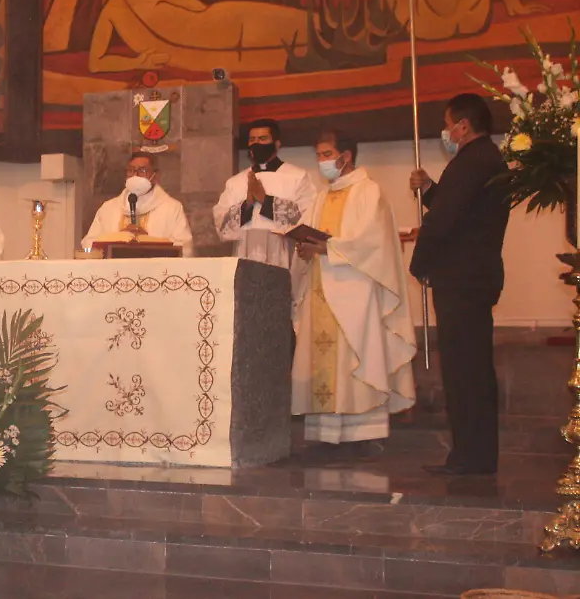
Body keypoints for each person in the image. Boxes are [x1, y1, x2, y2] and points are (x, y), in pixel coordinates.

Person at [290, 130, 417, 455]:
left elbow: (372, 242)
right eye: (318, 154)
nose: (323, 161)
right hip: (321, 289)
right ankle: (326, 435)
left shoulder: (368, 192)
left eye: (327, 153)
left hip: (354, 292)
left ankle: (364, 434)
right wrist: (305, 250)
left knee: (355, 358)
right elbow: (313, 240)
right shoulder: (320, 197)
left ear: (346, 156)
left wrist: (327, 247)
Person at [410, 93, 510, 476]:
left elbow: (445, 221)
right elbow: (463, 209)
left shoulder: (471, 161)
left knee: (464, 371)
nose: (447, 131)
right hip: (474, 276)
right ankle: (474, 455)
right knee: (471, 369)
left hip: (461, 278)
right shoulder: (486, 159)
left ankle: (471, 458)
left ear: (463, 126)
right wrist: (432, 189)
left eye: (449, 123)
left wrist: (419, 263)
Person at [213, 119, 317, 268]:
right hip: (245, 255)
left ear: (277, 144)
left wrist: (267, 202)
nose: (257, 144)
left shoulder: (297, 177)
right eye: (252, 140)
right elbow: (221, 224)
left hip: (283, 257)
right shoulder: (235, 182)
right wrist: (247, 205)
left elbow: (309, 219)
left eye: (263, 139)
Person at [81, 151, 194, 254]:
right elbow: (88, 245)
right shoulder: (108, 208)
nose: (135, 175)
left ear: (156, 176)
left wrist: (148, 241)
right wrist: (119, 237)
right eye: (131, 170)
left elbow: (185, 248)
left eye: (143, 170)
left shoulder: (171, 208)